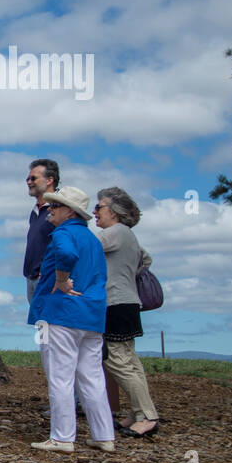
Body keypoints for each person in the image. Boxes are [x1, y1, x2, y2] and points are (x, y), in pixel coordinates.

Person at [27, 186, 115, 453]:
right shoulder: (92, 238)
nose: (50, 210)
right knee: (92, 377)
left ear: (69, 211)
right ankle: (104, 435)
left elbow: (66, 255)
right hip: (91, 315)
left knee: (60, 377)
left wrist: (62, 279)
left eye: (55, 206)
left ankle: (63, 437)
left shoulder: (63, 232)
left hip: (61, 313)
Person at [93, 187, 160, 436]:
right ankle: (139, 412)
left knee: (116, 361)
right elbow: (147, 259)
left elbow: (86, 245)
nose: (94, 212)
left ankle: (148, 415)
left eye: (99, 207)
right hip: (128, 302)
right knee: (130, 361)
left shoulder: (115, 233)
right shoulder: (129, 235)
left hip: (115, 303)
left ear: (115, 211)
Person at [24, 159, 60, 304]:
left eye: (33, 178)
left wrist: (51, 271)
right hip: (31, 278)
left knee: (50, 324)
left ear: (50, 180)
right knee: (40, 325)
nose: (29, 182)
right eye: (27, 179)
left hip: (48, 278)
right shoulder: (35, 212)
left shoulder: (60, 209)